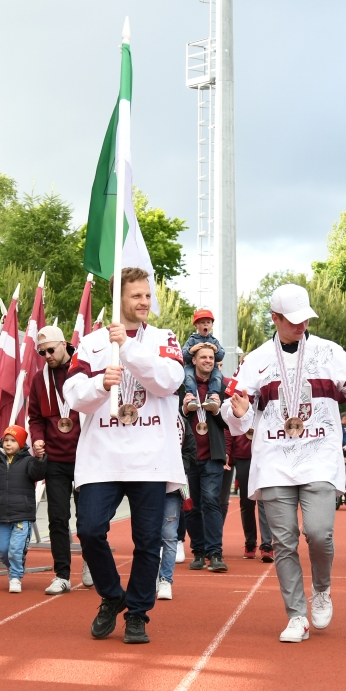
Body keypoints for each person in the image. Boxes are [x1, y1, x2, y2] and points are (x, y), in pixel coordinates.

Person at [220, 284, 346, 643]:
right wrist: (241, 413)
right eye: (293, 320)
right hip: (275, 460)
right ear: (275, 319)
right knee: (283, 541)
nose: (301, 325)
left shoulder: (330, 353)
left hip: (319, 457)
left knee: (318, 533)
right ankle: (296, 615)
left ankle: (322, 589)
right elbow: (234, 411)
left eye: (305, 318)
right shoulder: (257, 361)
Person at [63, 267, 186, 645]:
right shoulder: (91, 342)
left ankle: (137, 614)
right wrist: (101, 383)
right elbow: (72, 393)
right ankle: (112, 595)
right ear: (119, 300)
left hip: (150, 457)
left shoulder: (164, 338)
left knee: (147, 540)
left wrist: (130, 349)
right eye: (137, 296)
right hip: (102, 456)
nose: (145, 302)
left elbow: (170, 381)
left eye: (147, 296)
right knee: (89, 529)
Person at [27, 325, 84, 595]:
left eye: (51, 350)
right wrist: (37, 438)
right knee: (57, 518)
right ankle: (62, 574)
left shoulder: (82, 369)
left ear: (64, 344)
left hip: (86, 457)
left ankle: (92, 564)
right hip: (56, 461)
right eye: (42, 352)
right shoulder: (40, 380)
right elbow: (35, 418)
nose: (47, 356)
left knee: (88, 520)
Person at [182, 344, 231, 572]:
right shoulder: (183, 386)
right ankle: (199, 551)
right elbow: (173, 417)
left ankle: (215, 552)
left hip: (213, 455)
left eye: (211, 357)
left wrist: (217, 410)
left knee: (211, 501)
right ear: (194, 360)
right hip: (188, 457)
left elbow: (231, 422)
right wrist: (183, 410)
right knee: (191, 506)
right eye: (203, 357)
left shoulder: (221, 386)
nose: (208, 360)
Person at [0, 425, 47, 593]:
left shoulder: (28, 461)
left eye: (13, 441)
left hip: (22, 515)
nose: (8, 444)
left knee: (15, 549)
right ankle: (14, 569)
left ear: (21, 443)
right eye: (6, 440)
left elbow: (38, 474)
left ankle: (16, 577)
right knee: (2, 550)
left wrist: (40, 459)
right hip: (2, 515)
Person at [157, 400, 196, 601]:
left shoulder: (181, 420)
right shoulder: (147, 418)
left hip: (172, 485)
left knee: (169, 535)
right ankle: (149, 577)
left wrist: (177, 467)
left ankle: (165, 580)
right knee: (147, 535)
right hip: (148, 483)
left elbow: (190, 449)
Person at [227, 425, 273, 561]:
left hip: (265, 456)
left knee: (265, 501)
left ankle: (267, 544)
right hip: (243, 456)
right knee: (246, 503)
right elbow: (231, 427)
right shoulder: (237, 403)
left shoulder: (266, 403)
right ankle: (250, 542)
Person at [182, 308, 225, 409]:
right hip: (191, 366)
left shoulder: (214, 341)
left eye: (208, 322)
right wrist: (192, 350)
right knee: (188, 376)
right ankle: (192, 397)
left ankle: (212, 397)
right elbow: (183, 355)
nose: (206, 325)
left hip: (212, 368)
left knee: (217, 376)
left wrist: (216, 349)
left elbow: (220, 356)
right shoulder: (192, 339)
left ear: (211, 325)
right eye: (202, 322)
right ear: (196, 325)